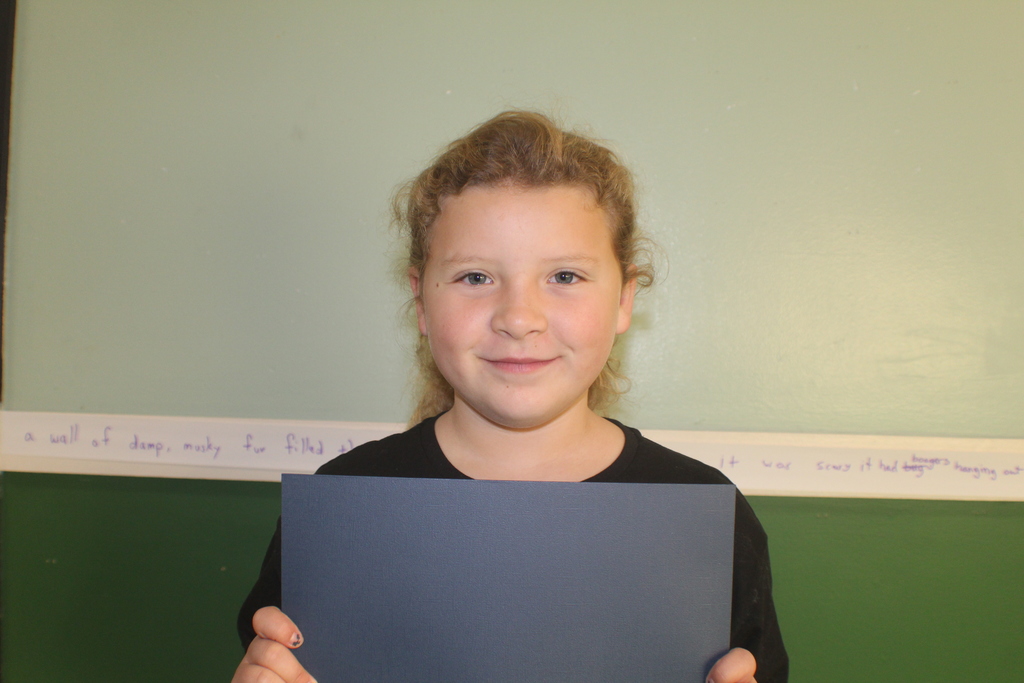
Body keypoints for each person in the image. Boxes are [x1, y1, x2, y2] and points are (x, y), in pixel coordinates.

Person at [233, 111, 788, 683]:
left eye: (565, 277)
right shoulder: (340, 507)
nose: (519, 318)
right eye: (475, 277)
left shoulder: (704, 515)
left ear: (625, 299)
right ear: (421, 303)